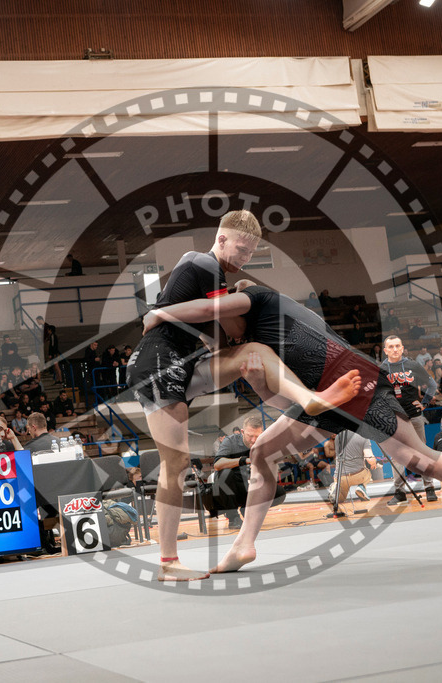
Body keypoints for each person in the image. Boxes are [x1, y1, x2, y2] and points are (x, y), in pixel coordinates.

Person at [146, 281, 442, 575]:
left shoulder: (259, 299)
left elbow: (206, 305)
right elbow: (285, 402)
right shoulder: (251, 347)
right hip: (323, 399)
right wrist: (261, 382)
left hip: (352, 380)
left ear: (223, 305)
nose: (223, 339)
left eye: (218, 327)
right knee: (262, 451)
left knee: (419, 460)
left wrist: (161, 313)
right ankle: (244, 544)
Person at [128, 210, 358, 581]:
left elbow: (226, 338)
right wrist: (241, 292)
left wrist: (228, 300)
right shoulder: (203, 262)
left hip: (186, 362)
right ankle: (167, 563)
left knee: (253, 352)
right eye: (241, 249)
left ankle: (308, 399)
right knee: (177, 465)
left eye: (251, 253)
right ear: (221, 240)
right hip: (158, 362)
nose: (245, 258)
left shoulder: (211, 276)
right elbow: (230, 323)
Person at [381, 334, 439, 503]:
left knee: (422, 451)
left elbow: (432, 385)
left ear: (402, 347)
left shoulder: (412, 365)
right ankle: (399, 492)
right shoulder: (381, 370)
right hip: (394, 419)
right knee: (396, 455)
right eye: (390, 347)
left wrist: (425, 403)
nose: (394, 349)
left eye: (397, 346)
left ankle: (429, 487)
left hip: (414, 416)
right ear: (385, 350)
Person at [211, 416, 280, 529]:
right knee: (224, 474)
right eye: (250, 436)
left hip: (249, 486)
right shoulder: (230, 441)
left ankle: (249, 510)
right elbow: (217, 464)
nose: (253, 440)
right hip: (231, 487)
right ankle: (233, 517)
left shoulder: (263, 444)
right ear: (242, 432)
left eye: (257, 436)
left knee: (278, 492)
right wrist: (244, 461)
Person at [328, 430, 378, 506]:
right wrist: (374, 463)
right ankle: (361, 487)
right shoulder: (364, 437)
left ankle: (335, 487)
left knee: (340, 499)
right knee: (368, 473)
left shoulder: (338, 437)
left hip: (340, 477)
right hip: (358, 476)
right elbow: (369, 458)